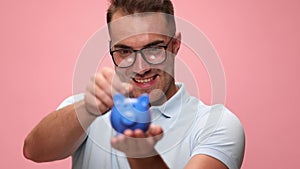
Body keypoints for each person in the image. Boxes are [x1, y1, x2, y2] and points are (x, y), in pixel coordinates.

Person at [23, 0, 245, 168]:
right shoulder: (87, 109)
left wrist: (140, 152)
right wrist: (88, 108)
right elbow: (34, 151)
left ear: (175, 45)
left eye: (154, 49)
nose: (141, 67)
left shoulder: (215, 124)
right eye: (125, 51)